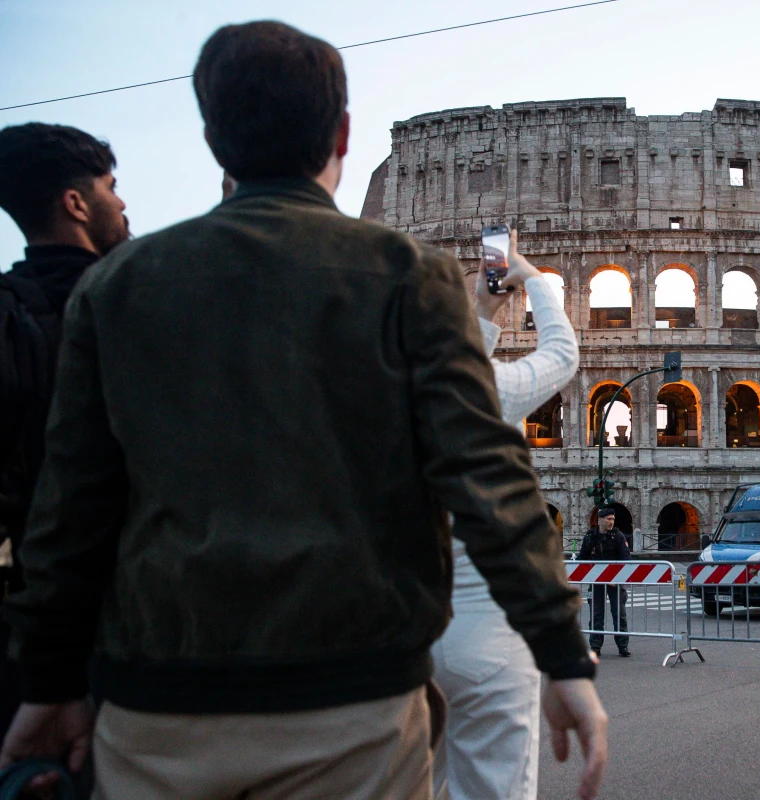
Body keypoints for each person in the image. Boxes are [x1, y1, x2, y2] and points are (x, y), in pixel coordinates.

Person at [0, 20, 607, 800]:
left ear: (215, 139)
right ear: (343, 135)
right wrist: (559, 652)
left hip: (162, 694)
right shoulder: (405, 276)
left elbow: (71, 503)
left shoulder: (119, 285)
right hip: (350, 699)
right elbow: (487, 476)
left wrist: (48, 682)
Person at [432, 228, 579, 800]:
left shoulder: (371, 388)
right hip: (489, 622)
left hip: (410, 618)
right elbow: (562, 355)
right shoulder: (491, 387)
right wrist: (535, 280)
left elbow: (446, 367)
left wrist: (482, 315)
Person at [0, 123, 130, 743]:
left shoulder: (8, 308)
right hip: (146, 625)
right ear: (76, 204)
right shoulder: (143, 303)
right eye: (111, 188)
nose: (122, 203)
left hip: (38, 623)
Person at [578, 508, 631, 658]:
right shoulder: (590, 537)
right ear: (599, 520)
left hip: (615, 582)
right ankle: (595, 647)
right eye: (608, 519)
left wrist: (617, 579)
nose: (611, 522)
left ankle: (623, 646)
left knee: (619, 613)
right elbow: (583, 558)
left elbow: (626, 559)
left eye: (613, 519)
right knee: (596, 614)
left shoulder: (618, 536)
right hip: (596, 580)